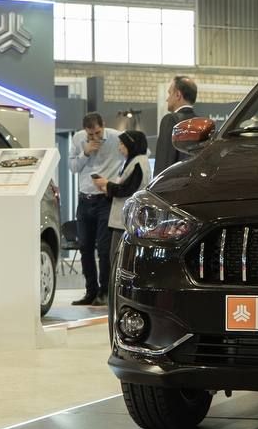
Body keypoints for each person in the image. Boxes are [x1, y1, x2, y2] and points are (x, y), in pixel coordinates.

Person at [67, 112, 122, 306]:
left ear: (103, 125)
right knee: (85, 247)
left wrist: (117, 181)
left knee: (105, 249)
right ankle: (90, 291)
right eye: (90, 134)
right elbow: (73, 167)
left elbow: (141, 154)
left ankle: (104, 292)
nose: (95, 137)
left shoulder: (116, 137)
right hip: (85, 199)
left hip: (106, 200)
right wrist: (85, 152)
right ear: (85, 131)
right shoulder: (78, 138)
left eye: (98, 133)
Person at [95, 130, 151, 274]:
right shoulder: (134, 162)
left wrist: (107, 184)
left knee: (118, 260)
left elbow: (127, 189)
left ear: (131, 145)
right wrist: (108, 188)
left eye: (122, 144)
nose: (119, 148)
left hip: (126, 220)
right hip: (124, 219)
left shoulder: (138, 163)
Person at [154, 76, 198, 174]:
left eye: (170, 93)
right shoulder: (200, 124)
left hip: (174, 181)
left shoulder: (170, 120)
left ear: (178, 95)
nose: (167, 99)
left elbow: (164, 161)